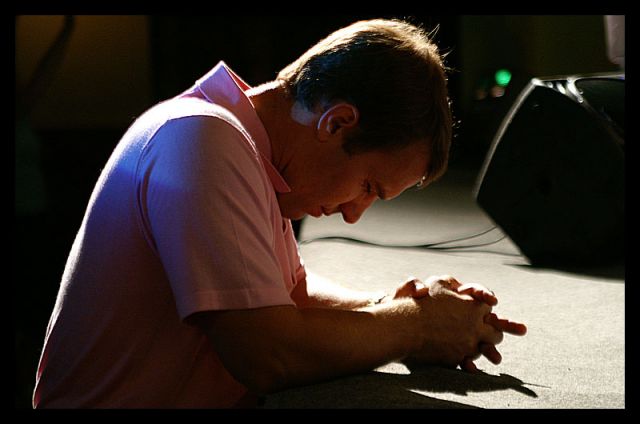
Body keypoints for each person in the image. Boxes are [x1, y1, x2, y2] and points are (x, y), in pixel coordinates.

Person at [33, 18, 526, 408]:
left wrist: (397, 302)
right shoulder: (202, 138)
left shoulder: (240, 146)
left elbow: (288, 296)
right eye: (367, 187)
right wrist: (416, 325)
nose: (354, 214)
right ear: (336, 123)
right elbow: (267, 352)